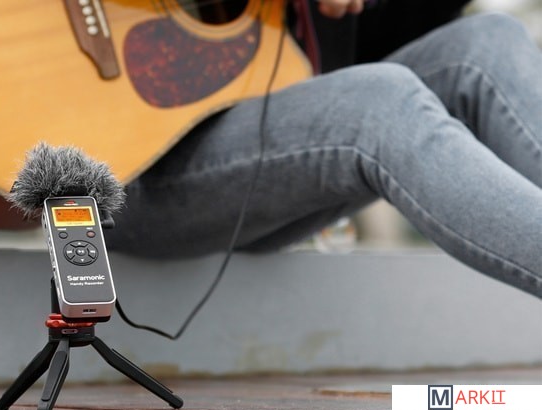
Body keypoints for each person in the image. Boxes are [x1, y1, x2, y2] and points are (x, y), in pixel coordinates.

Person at [106, 0, 542, 300]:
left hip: (263, 155)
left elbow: (359, 65)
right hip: (126, 172)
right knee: (378, 104)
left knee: (490, 40)